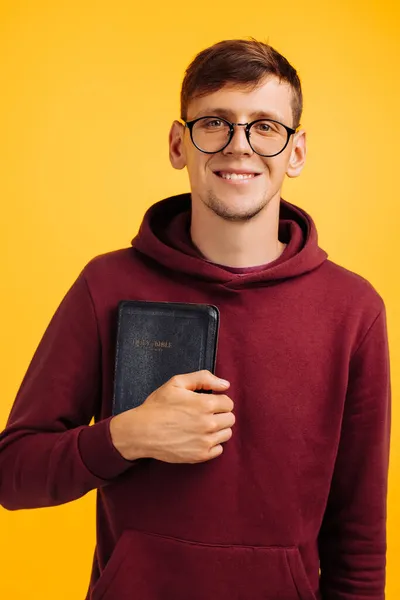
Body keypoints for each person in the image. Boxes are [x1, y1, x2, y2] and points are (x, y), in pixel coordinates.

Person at [0, 38, 391, 600]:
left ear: (296, 152)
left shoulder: (353, 310)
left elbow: (358, 537)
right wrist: (125, 437)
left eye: (264, 126)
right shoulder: (105, 285)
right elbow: (14, 473)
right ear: (179, 144)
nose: (239, 146)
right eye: (215, 122)